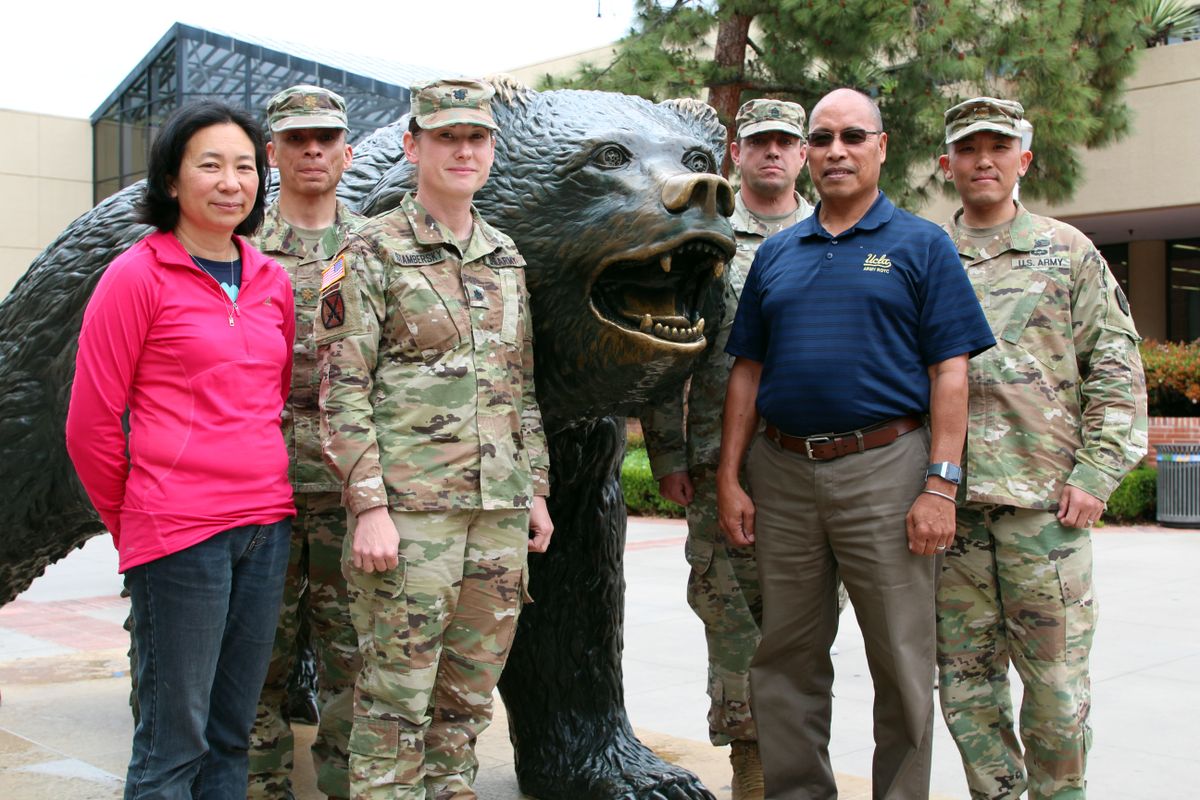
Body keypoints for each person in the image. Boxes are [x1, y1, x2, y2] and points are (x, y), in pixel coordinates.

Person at [716, 87, 995, 799]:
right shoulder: (777, 255)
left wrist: (940, 482)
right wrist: (731, 477)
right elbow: (747, 372)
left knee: (901, 659)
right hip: (782, 473)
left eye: (851, 136)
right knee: (786, 656)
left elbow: (950, 372)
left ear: (881, 145)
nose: (835, 151)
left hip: (887, 469)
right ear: (807, 153)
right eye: (822, 138)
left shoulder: (921, 245)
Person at [316, 78, 553, 800]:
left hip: (499, 514)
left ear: (491, 151)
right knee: (395, 702)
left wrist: (535, 489)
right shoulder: (369, 249)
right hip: (411, 516)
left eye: (475, 138)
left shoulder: (505, 255)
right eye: (446, 136)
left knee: (466, 703)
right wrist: (369, 508)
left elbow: (521, 387)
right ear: (414, 146)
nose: (462, 150)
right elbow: (341, 389)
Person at [65, 101, 296, 799]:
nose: (232, 181)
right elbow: (91, 422)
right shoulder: (137, 276)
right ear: (171, 179)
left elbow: (272, 398)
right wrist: (136, 517)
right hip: (179, 535)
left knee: (233, 734)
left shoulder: (271, 282)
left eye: (246, 167)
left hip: (265, 531)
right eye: (211, 164)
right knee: (174, 740)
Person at [935, 97, 1148, 800]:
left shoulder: (1068, 250)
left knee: (1056, 692)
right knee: (966, 690)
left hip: (1045, 516)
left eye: (999, 146)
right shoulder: (926, 255)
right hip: (952, 518)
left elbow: (1116, 369)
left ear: (1023, 160)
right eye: (969, 149)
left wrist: (1096, 475)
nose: (984, 160)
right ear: (948, 166)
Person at [639, 97, 811, 800]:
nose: (773, 153)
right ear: (737, 154)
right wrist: (668, 452)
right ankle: (753, 765)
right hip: (719, 463)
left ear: (802, 155)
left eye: (785, 143)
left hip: (811, 465)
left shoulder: (834, 234)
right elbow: (661, 340)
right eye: (759, 142)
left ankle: (800, 760)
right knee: (731, 619)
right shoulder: (703, 237)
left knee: (803, 622)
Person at [248, 84, 363, 800]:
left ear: (346, 153)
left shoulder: (376, 248)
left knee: (357, 657)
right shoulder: (238, 250)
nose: (312, 150)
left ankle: (348, 784)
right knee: (256, 656)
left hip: (352, 491)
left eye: (325, 138)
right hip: (258, 490)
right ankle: (258, 787)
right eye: (296, 139)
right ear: (273, 154)